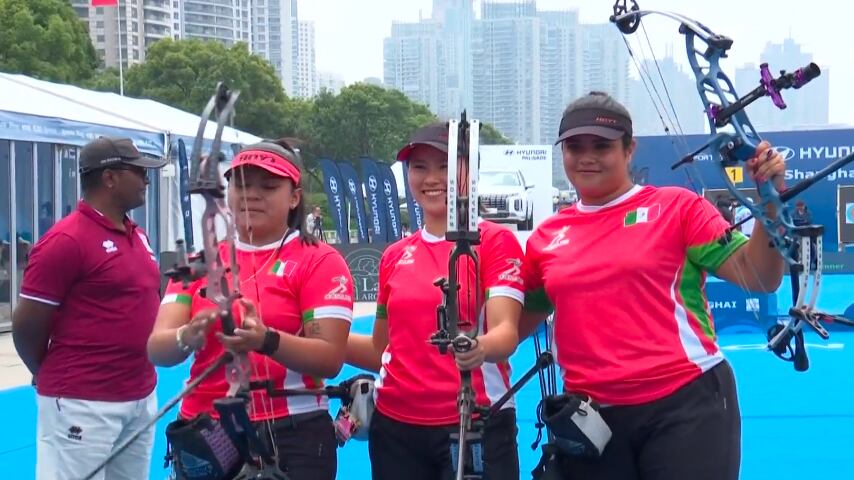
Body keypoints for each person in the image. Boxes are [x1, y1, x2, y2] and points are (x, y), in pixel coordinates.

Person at [519, 91, 788, 480]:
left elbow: (760, 275)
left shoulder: (678, 208)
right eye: (575, 146)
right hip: (591, 418)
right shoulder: (547, 237)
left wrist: (769, 200)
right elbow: (511, 327)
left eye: (602, 145)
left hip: (683, 404)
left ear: (629, 150)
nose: (587, 156)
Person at [147, 139, 353, 480]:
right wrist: (188, 334)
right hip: (205, 431)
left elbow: (329, 359)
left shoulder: (320, 261)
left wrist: (267, 340)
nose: (251, 195)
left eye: (268, 186)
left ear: (294, 198)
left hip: (292, 432)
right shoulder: (200, 263)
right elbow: (158, 348)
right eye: (240, 184)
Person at [346, 122, 524, 480]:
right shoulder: (395, 255)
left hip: (474, 423)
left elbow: (506, 333)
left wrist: (479, 347)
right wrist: (296, 333)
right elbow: (380, 348)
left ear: (467, 172)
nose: (431, 178)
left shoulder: (495, 242)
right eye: (420, 167)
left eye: (444, 166)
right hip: (397, 430)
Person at [11, 136, 166, 480]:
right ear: (109, 178)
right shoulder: (66, 241)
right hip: (83, 402)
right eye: (138, 172)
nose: (146, 180)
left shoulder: (137, 234)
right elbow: (26, 326)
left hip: (139, 395)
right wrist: (50, 374)